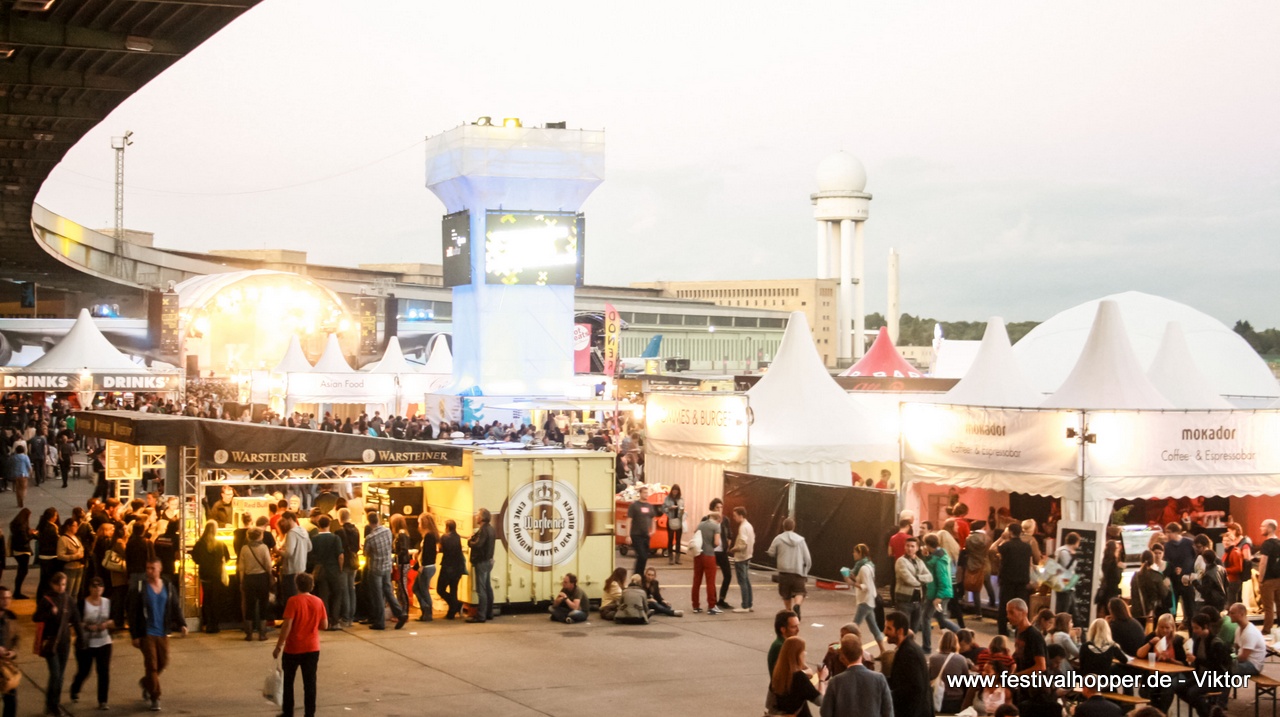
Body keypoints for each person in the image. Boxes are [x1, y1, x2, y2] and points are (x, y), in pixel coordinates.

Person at [128, 558, 186, 712]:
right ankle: (155, 697)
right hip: (147, 632)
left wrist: (182, 623)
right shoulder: (140, 587)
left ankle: (147, 682)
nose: (149, 571)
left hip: (162, 631)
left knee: (163, 662)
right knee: (152, 665)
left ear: (159, 569)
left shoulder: (168, 586)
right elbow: (133, 612)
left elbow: (174, 605)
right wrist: (134, 635)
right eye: (147, 568)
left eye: (152, 568)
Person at [273, 573, 327, 717]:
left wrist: (279, 645)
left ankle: (288, 712)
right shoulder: (318, 602)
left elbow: (287, 626)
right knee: (310, 683)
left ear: (297, 585)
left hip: (293, 648)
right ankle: (310, 713)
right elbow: (324, 625)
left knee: (288, 682)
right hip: (312, 647)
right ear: (312, 586)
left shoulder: (293, 601)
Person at [35, 571, 80, 717]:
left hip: (65, 641)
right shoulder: (46, 600)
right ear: (52, 584)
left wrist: (82, 637)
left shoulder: (69, 600)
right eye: (59, 584)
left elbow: (76, 619)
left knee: (60, 676)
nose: (61, 587)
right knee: (55, 674)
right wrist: (50, 613)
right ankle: (53, 704)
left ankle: (53, 703)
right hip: (51, 642)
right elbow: (35, 617)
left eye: (64, 584)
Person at [820, 633, 893, 717]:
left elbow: (825, 713)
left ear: (842, 658)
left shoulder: (835, 682)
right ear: (862, 653)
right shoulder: (879, 679)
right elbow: (888, 712)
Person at [70, 577, 113, 710]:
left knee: (103, 671)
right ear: (89, 588)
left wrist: (105, 624)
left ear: (103, 589)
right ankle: (75, 689)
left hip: (104, 642)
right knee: (84, 671)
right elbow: (76, 623)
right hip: (86, 643)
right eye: (94, 587)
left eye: (99, 587)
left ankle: (103, 701)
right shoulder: (83, 603)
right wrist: (88, 627)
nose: (97, 589)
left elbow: (114, 620)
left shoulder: (107, 602)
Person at [1179, 612, 1232, 717]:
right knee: (1179, 688)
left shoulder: (1216, 643)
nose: (1194, 631)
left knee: (1193, 693)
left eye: (1196, 628)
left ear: (1206, 627)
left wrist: (1196, 660)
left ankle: (1206, 713)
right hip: (1202, 676)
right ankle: (1209, 711)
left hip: (1217, 678)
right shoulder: (1198, 640)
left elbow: (1217, 666)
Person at [363, 512, 407, 630]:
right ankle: (400, 613)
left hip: (375, 568)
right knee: (388, 591)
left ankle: (380, 622)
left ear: (369, 522)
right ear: (378, 519)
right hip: (387, 567)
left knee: (377, 595)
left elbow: (365, 554)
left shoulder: (370, 538)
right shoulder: (387, 531)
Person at [1134, 613, 1187, 711]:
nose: (1164, 630)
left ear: (1172, 628)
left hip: (1174, 675)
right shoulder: (1152, 636)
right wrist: (1151, 643)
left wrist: (1170, 659)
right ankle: (1157, 712)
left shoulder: (1178, 641)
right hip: (1154, 674)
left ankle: (1160, 712)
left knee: (1167, 688)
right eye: (1161, 627)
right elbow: (1139, 654)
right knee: (1145, 691)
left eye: (1167, 627)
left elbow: (1185, 664)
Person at [886, 610, 934, 717]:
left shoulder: (909, 653)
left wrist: (890, 694)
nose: (885, 632)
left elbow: (916, 687)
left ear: (900, 631)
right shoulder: (907, 649)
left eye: (889, 628)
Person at [769, 636, 826, 717]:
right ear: (799, 654)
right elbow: (821, 701)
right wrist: (822, 680)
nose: (805, 653)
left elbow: (771, 702)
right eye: (804, 650)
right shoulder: (800, 678)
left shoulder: (777, 675)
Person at [189, 520, 229, 634]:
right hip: (216, 575)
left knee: (207, 599)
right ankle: (215, 624)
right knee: (215, 599)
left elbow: (195, 558)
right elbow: (227, 557)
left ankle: (207, 623)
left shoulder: (200, 543)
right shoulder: (220, 544)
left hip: (205, 575)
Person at [846, 543, 887, 653]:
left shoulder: (863, 568)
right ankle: (883, 651)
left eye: (855, 552)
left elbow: (866, 586)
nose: (853, 554)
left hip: (865, 600)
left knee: (853, 627)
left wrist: (852, 583)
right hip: (869, 600)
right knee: (874, 627)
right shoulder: (868, 565)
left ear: (860, 553)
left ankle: (852, 651)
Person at [994, 522, 1033, 636]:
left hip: (1007, 580)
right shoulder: (1027, 546)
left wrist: (1001, 538)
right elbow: (1031, 563)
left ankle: (1002, 631)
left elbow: (992, 550)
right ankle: (1020, 630)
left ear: (1010, 532)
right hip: (1022, 581)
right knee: (1021, 606)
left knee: (1004, 606)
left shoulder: (1006, 545)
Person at [768, 517, 812, 618]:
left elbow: (771, 552)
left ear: (783, 527)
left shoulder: (778, 538)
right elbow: (808, 558)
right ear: (794, 527)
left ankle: (789, 612)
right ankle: (797, 605)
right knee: (800, 591)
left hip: (784, 572)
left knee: (785, 594)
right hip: (798, 572)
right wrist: (805, 572)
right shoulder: (801, 540)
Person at [923, 532, 960, 651]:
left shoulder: (939, 560)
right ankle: (963, 635)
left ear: (928, 545)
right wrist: (927, 556)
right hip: (939, 593)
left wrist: (939, 596)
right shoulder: (939, 556)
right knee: (940, 618)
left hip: (937, 594)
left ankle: (927, 646)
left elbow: (942, 579)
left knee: (927, 617)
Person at [308, 515, 345, 629]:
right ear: (329, 524)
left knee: (323, 596)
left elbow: (310, 556)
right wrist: (340, 569)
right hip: (333, 569)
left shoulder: (314, 539)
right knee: (337, 594)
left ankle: (325, 620)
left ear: (318, 525)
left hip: (320, 570)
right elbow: (340, 556)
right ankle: (335, 621)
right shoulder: (335, 538)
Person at [895, 536, 933, 642]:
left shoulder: (919, 561)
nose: (909, 548)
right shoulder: (901, 561)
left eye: (912, 546)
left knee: (914, 632)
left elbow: (930, 577)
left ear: (917, 548)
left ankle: (909, 653)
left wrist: (917, 577)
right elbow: (909, 580)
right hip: (904, 601)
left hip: (918, 601)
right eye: (907, 546)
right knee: (903, 632)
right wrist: (920, 580)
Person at [239, 528, 273, 641]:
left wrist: (241, 581)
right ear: (260, 536)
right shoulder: (264, 548)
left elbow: (241, 568)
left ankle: (249, 634)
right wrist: (271, 575)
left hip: (249, 579)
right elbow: (268, 565)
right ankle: (262, 634)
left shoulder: (244, 548)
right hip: (262, 578)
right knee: (263, 605)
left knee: (249, 606)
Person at [1161, 522, 1197, 630]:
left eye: (1169, 532)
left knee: (1190, 609)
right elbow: (1165, 562)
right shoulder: (1166, 546)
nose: (1166, 535)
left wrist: (1189, 572)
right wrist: (1172, 569)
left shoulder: (1189, 543)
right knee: (1172, 610)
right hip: (1174, 582)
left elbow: (1195, 559)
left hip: (1187, 582)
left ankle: (1192, 632)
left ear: (1176, 532)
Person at [929, 630, 972, 713]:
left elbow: (929, 677)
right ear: (956, 643)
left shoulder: (933, 659)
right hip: (955, 700)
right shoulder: (961, 659)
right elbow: (966, 681)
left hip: (937, 698)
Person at [466, 507, 496, 623]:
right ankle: (489, 612)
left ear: (482, 518)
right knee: (487, 587)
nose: (476, 517)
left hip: (482, 561)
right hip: (489, 560)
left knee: (481, 589)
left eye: (477, 515)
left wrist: (470, 541)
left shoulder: (483, 530)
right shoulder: (491, 529)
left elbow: (479, 544)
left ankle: (481, 615)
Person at [277, 512, 311, 609]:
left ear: (290, 519)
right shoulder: (303, 531)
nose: (282, 523)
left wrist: (278, 551)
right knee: (299, 597)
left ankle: (290, 621)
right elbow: (309, 547)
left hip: (290, 570)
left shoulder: (291, 533)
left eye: (283, 520)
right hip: (301, 568)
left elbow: (289, 553)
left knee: (290, 599)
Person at [691, 511, 722, 614]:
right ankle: (711, 606)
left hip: (698, 555)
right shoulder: (716, 527)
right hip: (709, 556)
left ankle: (695, 605)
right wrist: (711, 546)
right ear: (718, 519)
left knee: (697, 580)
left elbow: (695, 532)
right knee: (710, 581)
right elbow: (717, 542)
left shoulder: (701, 524)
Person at [1005, 598, 1047, 674]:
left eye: (1012, 612)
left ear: (1024, 612)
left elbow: (1041, 666)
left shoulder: (1034, 635)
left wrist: (1017, 676)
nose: (1008, 616)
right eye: (1007, 612)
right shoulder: (1018, 630)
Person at [1131, 549, 1171, 623]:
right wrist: (1167, 586)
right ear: (1152, 560)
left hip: (1137, 613)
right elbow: (1163, 594)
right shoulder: (1156, 575)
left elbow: (1133, 594)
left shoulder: (1135, 576)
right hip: (1153, 612)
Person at [336, 509, 360, 628]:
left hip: (344, 563)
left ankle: (345, 617)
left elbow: (339, 550)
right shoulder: (356, 530)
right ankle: (351, 616)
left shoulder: (339, 532)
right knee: (352, 588)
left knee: (345, 590)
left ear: (339, 518)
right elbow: (357, 548)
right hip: (354, 563)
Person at [413, 513, 439, 621]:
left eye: (419, 522)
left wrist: (421, 565)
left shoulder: (429, 536)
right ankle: (426, 610)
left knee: (422, 590)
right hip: (427, 566)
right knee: (418, 588)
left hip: (426, 567)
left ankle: (427, 610)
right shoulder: (430, 536)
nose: (418, 525)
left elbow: (427, 553)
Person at [437, 519, 465, 620]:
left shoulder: (444, 537)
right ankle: (452, 612)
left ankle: (456, 605)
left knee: (440, 589)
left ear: (447, 527)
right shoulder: (457, 537)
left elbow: (440, 549)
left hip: (447, 566)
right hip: (458, 567)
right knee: (454, 589)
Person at [1228, 601, 1265, 676]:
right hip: (1242, 661)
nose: (1229, 615)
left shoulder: (1250, 632)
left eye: (1232, 613)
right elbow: (1235, 648)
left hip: (1253, 665)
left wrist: (1229, 659)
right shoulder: (1239, 628)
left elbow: (1243, 657)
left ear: (1241, 614)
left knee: (1223, 668)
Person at [729, 506, 755, 613]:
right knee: (747, 581)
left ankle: (745, 605)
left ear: (741, 515)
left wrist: (734, 549)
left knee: (742, 581)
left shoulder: (743, 527)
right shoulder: (749, 526)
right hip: (747, 556)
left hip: (741, 557)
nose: (734, 518)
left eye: (735, 516)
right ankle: (749, 603)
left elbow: (743, 543)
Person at [627, 486, 657, 577]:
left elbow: (653, 519)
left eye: (647, 493)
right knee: (642, 555)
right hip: (636, 535)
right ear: (640, 494)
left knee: (644, 557)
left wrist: (653, 530)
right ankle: (637, 575)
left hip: (646, 535)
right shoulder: (634, 505)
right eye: (644, 492)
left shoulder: (649, 506)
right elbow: (629, 520)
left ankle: (638, 575)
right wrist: (627, 535)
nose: (646, 494)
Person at [1222, 523, 1252, 605]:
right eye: (1224, 541)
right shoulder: (1228, 552)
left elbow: (1239, 568)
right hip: (1229, 580)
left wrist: (1224, 570)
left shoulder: (1235, 552)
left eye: (1228, 541)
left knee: (1232, 603)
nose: (1225, 542)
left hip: (1233, 580)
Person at [388, 514, 413, 612]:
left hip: (403, 563)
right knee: (400, 587)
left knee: (402, 587)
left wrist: (395, 558)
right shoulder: (403, 533)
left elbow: (403, 550)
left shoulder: (401, 534)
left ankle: (405, 610)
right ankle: (401, 610)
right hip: (402, 562)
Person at [0, 586, 19, 717]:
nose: (6, 601)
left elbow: (17, 639)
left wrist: (13, 651)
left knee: (11, 700)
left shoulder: (11, 617)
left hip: (6, 665)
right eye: (2, 598)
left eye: (8, 598)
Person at [768, 609, 801, 674]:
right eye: (793, 627)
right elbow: (791, 673)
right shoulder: (780, 646)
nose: (798, 630)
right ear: (783, 629)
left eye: (798, 626)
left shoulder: (788, 644)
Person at [9, 509, 32, 599]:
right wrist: (31, 535)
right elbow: (24, 539)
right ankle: (17, 592)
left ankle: (17, 591)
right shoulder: (22, 526)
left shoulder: (15, 523)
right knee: (23, 571)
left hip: (16, 550)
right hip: (23, 551)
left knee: (21, 570)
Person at [1096, 540, 1123, 614]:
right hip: (1112, 592)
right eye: (1117, 548)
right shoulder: (1114, 563)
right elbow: (1117, 579)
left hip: (1105, 591)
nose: (1119, 550)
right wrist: (1120, 569)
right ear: (1113, 550)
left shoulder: (1105, 561)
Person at [663, 484, 685, 564]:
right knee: (670, 539)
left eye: (676, 491)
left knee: (678, 540)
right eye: (674, 491)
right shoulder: (667, 499)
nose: (675, 492)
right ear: (671, 491)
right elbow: (663, 509)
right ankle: (670, 557)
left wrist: (682, 511)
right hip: (671, 520)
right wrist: (669, 508)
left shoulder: (681, 499)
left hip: (679, 520)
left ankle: (678, 558)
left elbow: (683, 508)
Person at [7, 445, 29, 509]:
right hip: (23, 474)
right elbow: (28, 466)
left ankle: (18, 502)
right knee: (23, 488)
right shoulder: (25, 457)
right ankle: (22, 497)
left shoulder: (13, 457)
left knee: (17, 489)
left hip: (15, 475)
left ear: (16, 451)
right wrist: (29, 472)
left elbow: (9, 464)